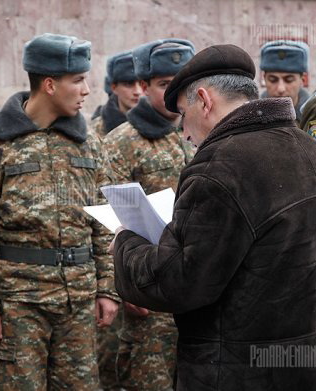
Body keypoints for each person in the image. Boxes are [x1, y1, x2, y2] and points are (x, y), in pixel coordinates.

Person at [111, 44, 316, 390]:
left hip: (235, 370)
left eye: (183, 115)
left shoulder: (217, 168)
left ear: (204, 101)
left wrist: (124, 242)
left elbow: (180, 282)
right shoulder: (306, 147)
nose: (185, 134)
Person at [0, 33, 119, 390]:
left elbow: (105, 222)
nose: (87, 90)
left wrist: (108, 289)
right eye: (77, 80)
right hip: (18, 304)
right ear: (49, 84)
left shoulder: (91, 145)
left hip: (77, 302)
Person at [103, 38, 195, 391]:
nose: (176, 95)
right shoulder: (122, 142)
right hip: (149, 285)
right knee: (148, 378)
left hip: (195, 283)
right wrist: (122, 285)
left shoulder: (198, 134)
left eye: (183, 85)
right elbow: (108, 218)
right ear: (143, 87)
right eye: (165, 86)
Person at [91, 51, 142, 137]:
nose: (137, 91)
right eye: (129, 84)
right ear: (114, 88)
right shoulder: (96, 131)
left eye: (141, 84)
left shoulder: (160, 123)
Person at [260, 40, 310, 124]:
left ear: (303, 79)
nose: (281, 89)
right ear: (264, 78)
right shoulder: (253, 117)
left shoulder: (311, 117)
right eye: (273, 80)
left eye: (289, 80)